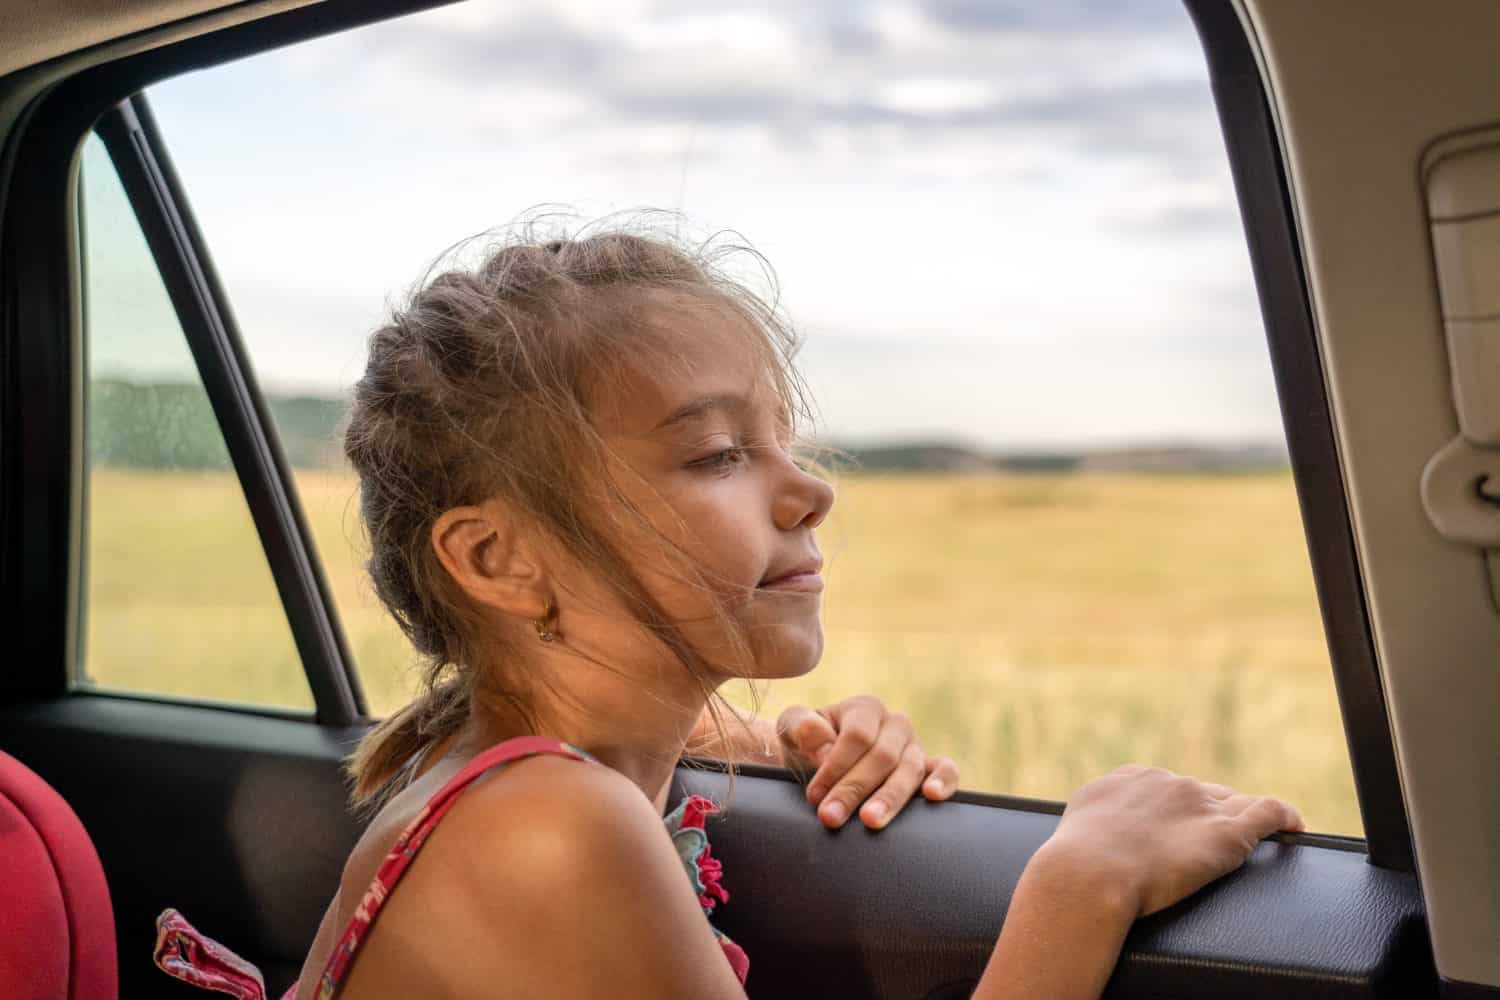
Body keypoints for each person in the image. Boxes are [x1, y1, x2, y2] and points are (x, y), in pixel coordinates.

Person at [155, 224, 1302, 1000]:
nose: (812, 491)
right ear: (499, 558)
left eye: (782, 443)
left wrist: (762, 737)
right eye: (715, 454)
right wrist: (1083, 882)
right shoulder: (550, 827)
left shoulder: (551, 768)